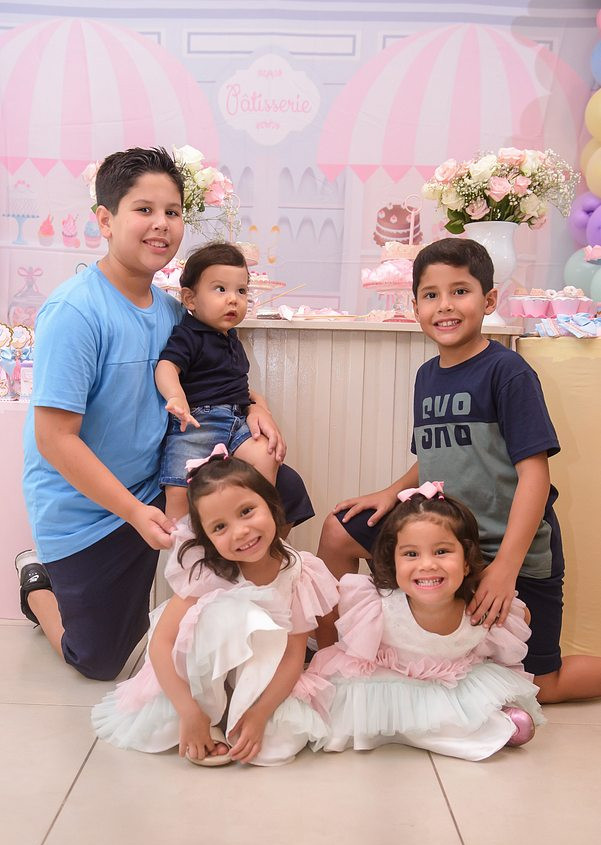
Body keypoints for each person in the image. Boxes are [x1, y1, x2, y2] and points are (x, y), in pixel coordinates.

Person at [18, 146, 313, 681]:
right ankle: (37, 585)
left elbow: (222, 378)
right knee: (100, 661)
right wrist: (134, 513)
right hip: (91, 508)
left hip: (160, 483)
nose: (161, 224)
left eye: (172, 212)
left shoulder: (177, 311)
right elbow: (55, 438)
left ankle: (255, 613)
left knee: (279, 485)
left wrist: (259, 408)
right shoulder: (75, 312)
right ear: (105, 220)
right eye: (144, 210)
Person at [318, 237, 601, 704]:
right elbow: (437, 454)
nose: (445, 305)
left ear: (489, 300)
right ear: (415, 307)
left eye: (460, 291)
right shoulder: (427, 376)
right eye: (431, 295)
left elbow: (535, 475)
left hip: (508, 549)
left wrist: (505, 567)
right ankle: (336, 663)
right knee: (338, 530)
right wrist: (391, 491)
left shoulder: (508, 372)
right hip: (444, 539)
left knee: (539, 685)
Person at [92, 448, 338, 766]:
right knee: (163, 727)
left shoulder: (297, 571)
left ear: (271, 504)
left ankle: (241, 707)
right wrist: (188, 711)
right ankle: (207, 713)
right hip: (197, 668)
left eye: (247, 511)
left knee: (279, 742)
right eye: (219, 527)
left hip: (257, 670)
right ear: (206, 538)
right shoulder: (207, 571)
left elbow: (293, 655)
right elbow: (162, 644)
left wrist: (260, 714)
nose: (240, 532)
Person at [304, 485, 543, 760]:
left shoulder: (476, 609)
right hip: (388, 683)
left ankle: (466, 722)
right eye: (411, 554)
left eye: (441, 551)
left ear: (466, 562)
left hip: (448, 684)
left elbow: (523, 618)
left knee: (473, 710)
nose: (427, 564)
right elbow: (329, 613)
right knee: (341, 713)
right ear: (393, 562)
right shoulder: (376, 603)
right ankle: (427, 727)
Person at [156, 241, 281, 522]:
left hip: (237, 423)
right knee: (179, 489)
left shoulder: (231, 339)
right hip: (199, 424)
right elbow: (166, 367)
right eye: (220, 289)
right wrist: (176, 396)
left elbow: (237, 386)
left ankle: (259, 521)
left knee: (267, 454)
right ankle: (181, 543)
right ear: (190, 299)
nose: (233, 299)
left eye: (241, 291)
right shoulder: (189, 335)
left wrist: (259, 405)